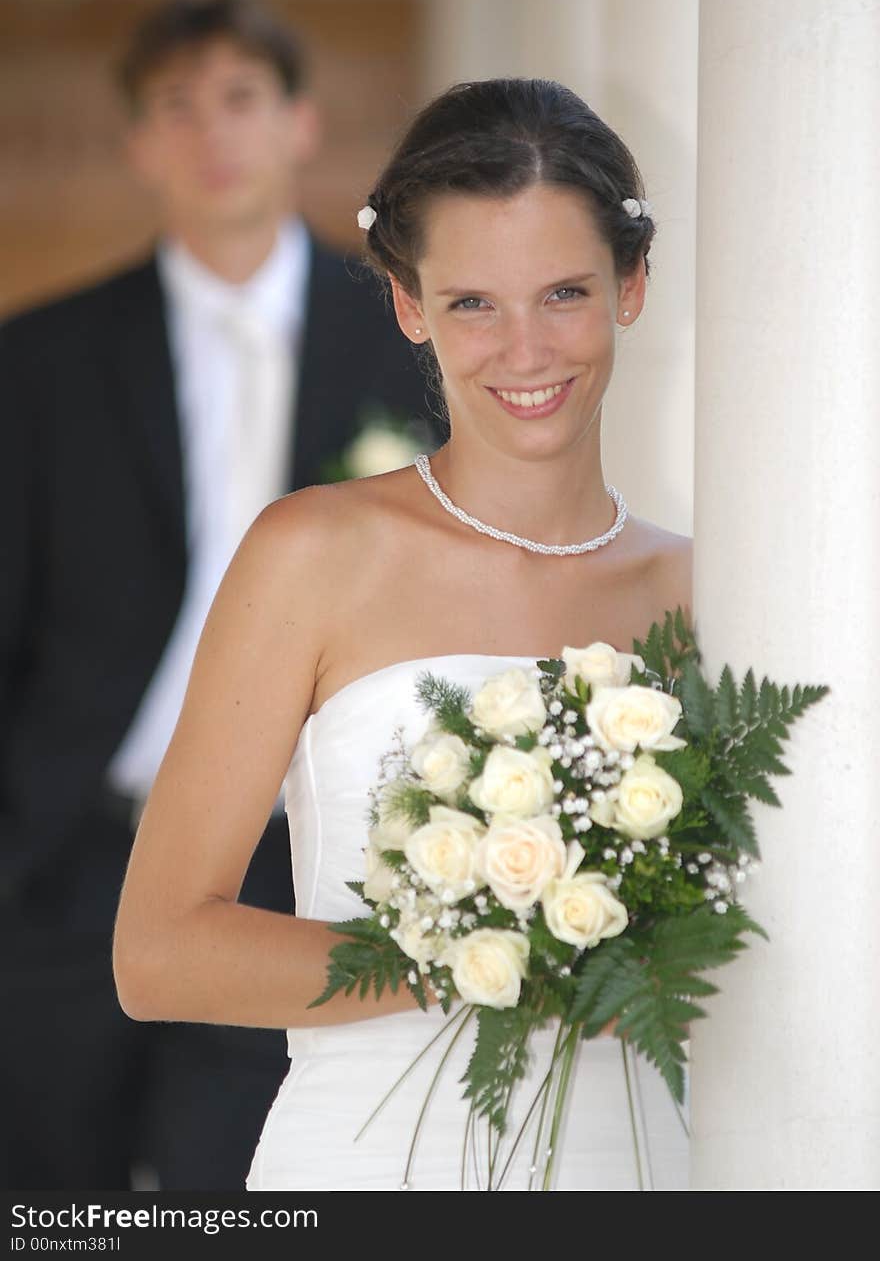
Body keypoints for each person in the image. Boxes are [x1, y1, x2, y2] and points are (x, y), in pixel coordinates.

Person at [113, 77, 693, 1191]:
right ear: (408, 304)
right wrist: (481, 951)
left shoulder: (700, 587)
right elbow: (158, 952)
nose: (524, 350)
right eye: (473, 302)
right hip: (374, 1163)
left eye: (563, 292)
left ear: (631, 285)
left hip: (649, 1163)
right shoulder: (312, 553)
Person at [0, 0, 439, 1190]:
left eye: (241, 99)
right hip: (69, 865)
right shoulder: (38, 360)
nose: (212, 134)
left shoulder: (406, 338)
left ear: (299, 123)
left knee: (235, 1198)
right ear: (139, 144)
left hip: (306, 866)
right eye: (176, 108)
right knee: (50, 1207)